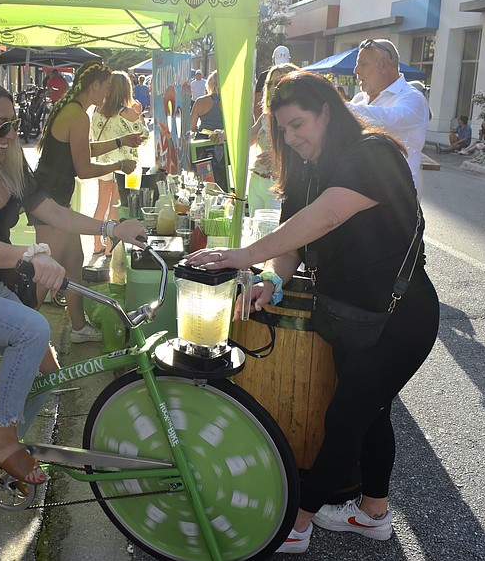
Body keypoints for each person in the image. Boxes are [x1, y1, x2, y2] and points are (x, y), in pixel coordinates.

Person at [187, 71, 439, 554]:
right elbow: (294, 244)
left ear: (327, 112)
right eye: (282, 129)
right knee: (370, 412)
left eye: (298, 124)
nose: (290, 137)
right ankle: (373, 513)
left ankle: (295, 524)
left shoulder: (372, 154)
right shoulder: (307, 168)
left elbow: (326, 216)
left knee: (345, 418)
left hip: (401, 316)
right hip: (349, 315)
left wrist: (244, 256)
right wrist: (271, 278)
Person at [0, 80, 145, 490]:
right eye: (2, 126)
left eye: (14, 124)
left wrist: (111, 228)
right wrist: (30, 256)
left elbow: (54, 212)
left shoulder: (8, 167)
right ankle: (2, 438)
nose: (12, 134)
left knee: (47, 371)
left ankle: (6, 452)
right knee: (33, 329)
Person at [33, 60, 145, 343]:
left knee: (74, 260)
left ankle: (79, 327)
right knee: (47, 268)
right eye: (106, 88)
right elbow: (83, 169)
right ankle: (20, 329)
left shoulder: (73, 110)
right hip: (48, 200)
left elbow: (83, 149)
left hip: (53, 196)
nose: (107, 94)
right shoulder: (78, 115)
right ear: (94, 85)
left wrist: (121, 141)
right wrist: (118, 164)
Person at [345, 39, 429, 188]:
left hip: (395, 193)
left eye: (363, 64)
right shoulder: (359, 99)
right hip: (359, 187)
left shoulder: (413, 98)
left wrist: (340, 106)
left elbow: (391, 119)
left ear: (383, 65)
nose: (356, 70)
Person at [90, 71, 145, 256]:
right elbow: (144, 135)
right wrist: (139, 115)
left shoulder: (97, 110)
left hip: (102, 163)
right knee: (115, 206)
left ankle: (96, 244)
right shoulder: (127, 113)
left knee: (101, 204)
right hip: (121, 165)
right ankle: (109, 248)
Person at [247, 63, 299, 211]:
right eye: (270, 83)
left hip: (278, 184)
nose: (274, 87)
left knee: (273, 225)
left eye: (280, 82)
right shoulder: (266, 116)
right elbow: (246, 141)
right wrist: (225, 135)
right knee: (254, 224)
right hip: (257, 180)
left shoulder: (297, 117)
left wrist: (277, 155)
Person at [190, 70, 228, 191]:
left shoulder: (200, 101)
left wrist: (198, 128)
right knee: (222, 177)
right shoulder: (228, 102)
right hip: (221, 142)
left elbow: (191, 126)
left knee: (202, 179)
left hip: (202, 142)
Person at [254, 45, 292, 121]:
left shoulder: (293, 76)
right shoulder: (294, 76)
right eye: (270, 83)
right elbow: (258, 103)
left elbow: (257, 103)